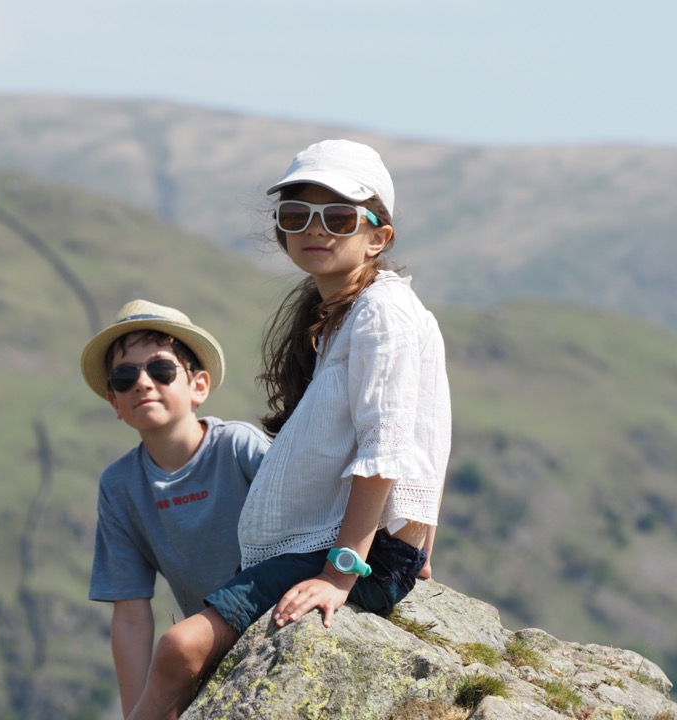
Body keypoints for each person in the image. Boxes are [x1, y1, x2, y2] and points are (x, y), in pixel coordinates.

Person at [126, 140, 452, 720]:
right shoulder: (347, 315)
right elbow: (425, 425)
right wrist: (421, 542)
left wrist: (339, 573)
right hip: (356, 544)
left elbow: (388, 448)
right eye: (296, 215)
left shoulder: (382, 314)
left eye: (339, 217)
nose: (315, 229)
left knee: (181, 648)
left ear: (379, 236)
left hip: (349, 553)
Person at [80, 299, 270, 717]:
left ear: (198, 385)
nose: (143, 384)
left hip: (279, 608)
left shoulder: (239, 447)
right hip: (212, 640)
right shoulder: (120, 486)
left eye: (161, 370)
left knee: (177, 646)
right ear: (114, 401)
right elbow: (130, 615)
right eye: (125, 377)